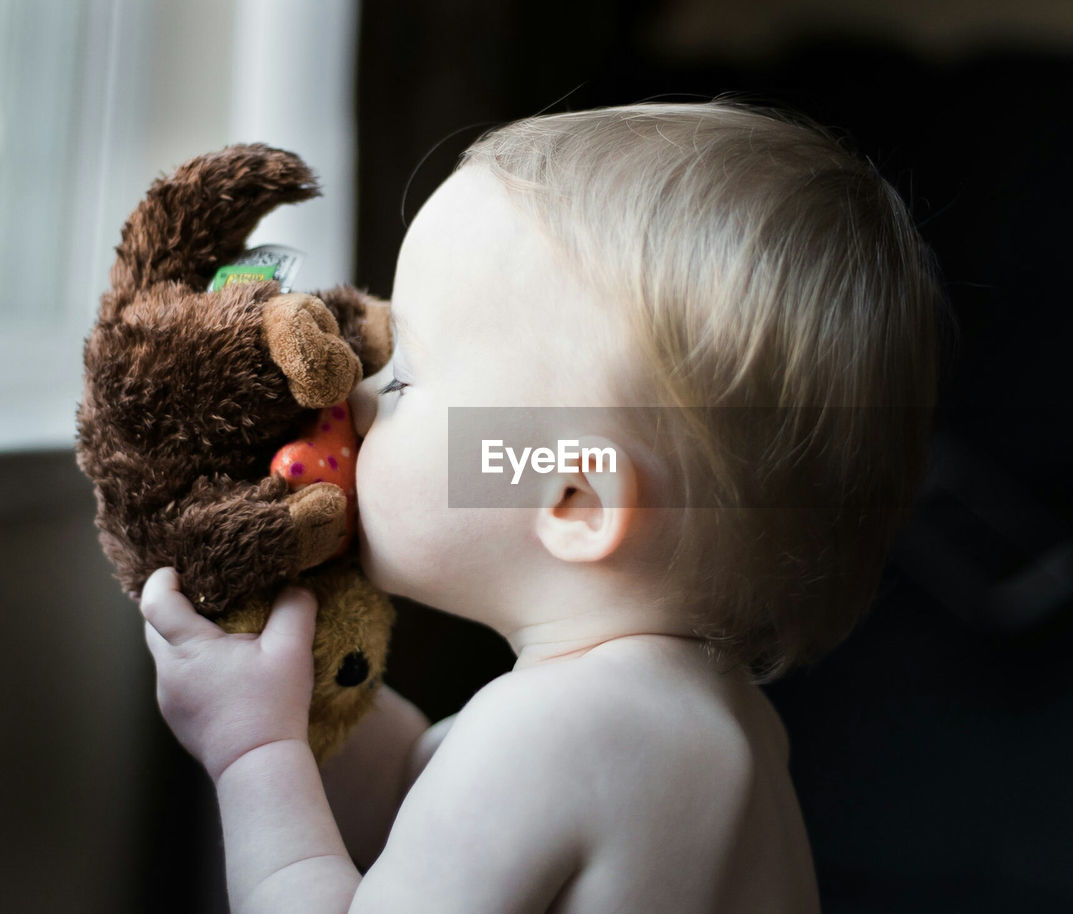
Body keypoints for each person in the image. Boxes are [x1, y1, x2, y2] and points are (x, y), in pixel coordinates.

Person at [138, 98, 946, 913]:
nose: (359, 393)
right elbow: (416, 797)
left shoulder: (548, 738)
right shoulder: (713, 722)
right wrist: (302, 701)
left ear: (574, 496)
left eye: (407, 376)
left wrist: (253, 753)